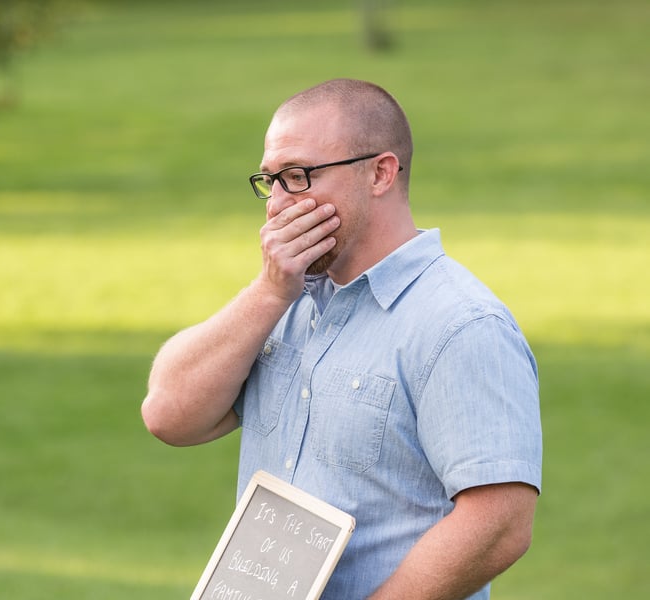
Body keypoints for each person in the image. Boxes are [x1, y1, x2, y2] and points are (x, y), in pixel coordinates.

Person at [141, 78, 542, 599]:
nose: (276, 204)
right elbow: (168, 415)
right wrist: (267, 294)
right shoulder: (284, 301)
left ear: (380, 172)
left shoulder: (461, 324)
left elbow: (500, 524)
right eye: (269, 180)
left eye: (298, 176)